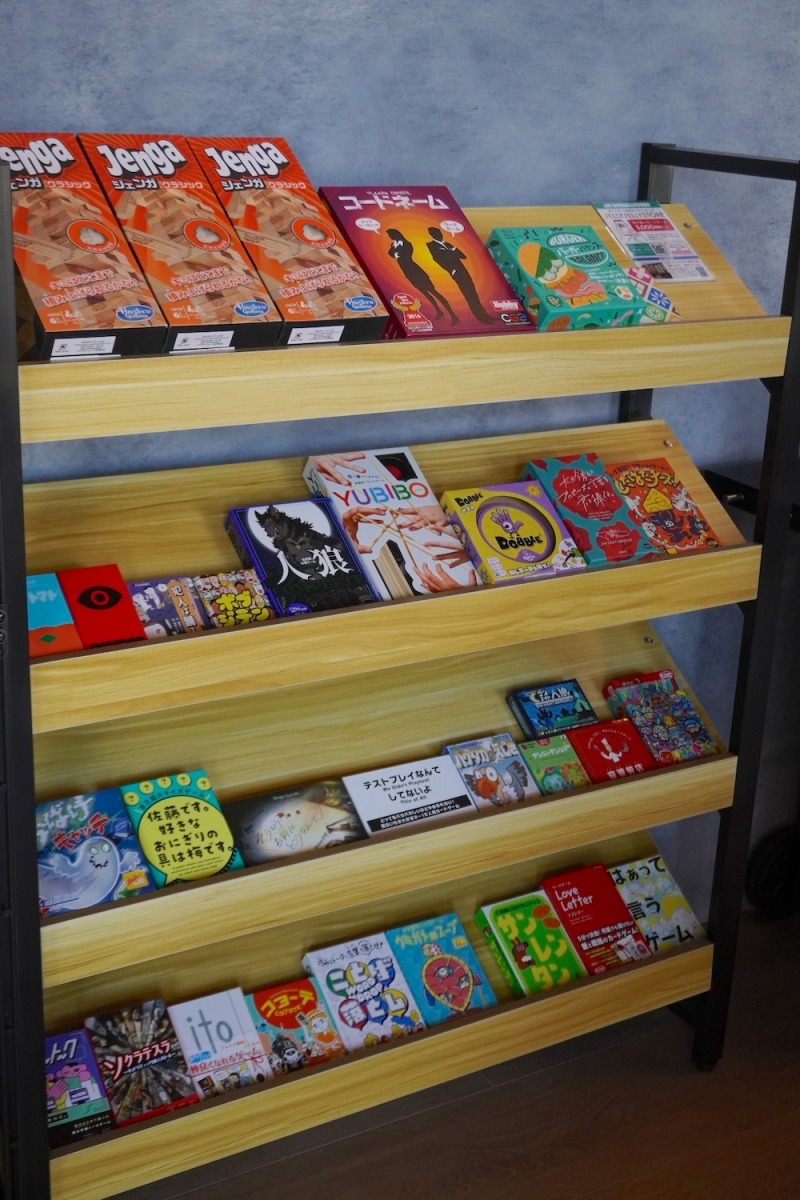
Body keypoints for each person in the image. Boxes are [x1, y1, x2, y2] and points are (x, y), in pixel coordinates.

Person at [386, 228, 458, 324]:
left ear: (395, 234)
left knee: (434, 292)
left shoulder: (407, 244)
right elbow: (391, 253)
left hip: (417, 272)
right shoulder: (394, 245)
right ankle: (439, 311)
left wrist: (396, 253)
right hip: (409, 273)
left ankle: (453, 315)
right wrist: (396, 252)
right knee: (426, 294)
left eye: (390, 234)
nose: (389, 236)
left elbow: (406, 256)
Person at [426, 226, 495, 324]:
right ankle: (480, 316)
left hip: (463, 270)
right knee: (468, 293)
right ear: (433, 235)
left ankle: (484, 313)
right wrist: (451, 269)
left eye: (440, 233)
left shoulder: (447, 244)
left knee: (473, 292)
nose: (440, 235)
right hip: (456, 272)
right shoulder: (431, 245)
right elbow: (438, 260)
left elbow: (463, 256)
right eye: (437, 234)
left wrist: (452, 249)